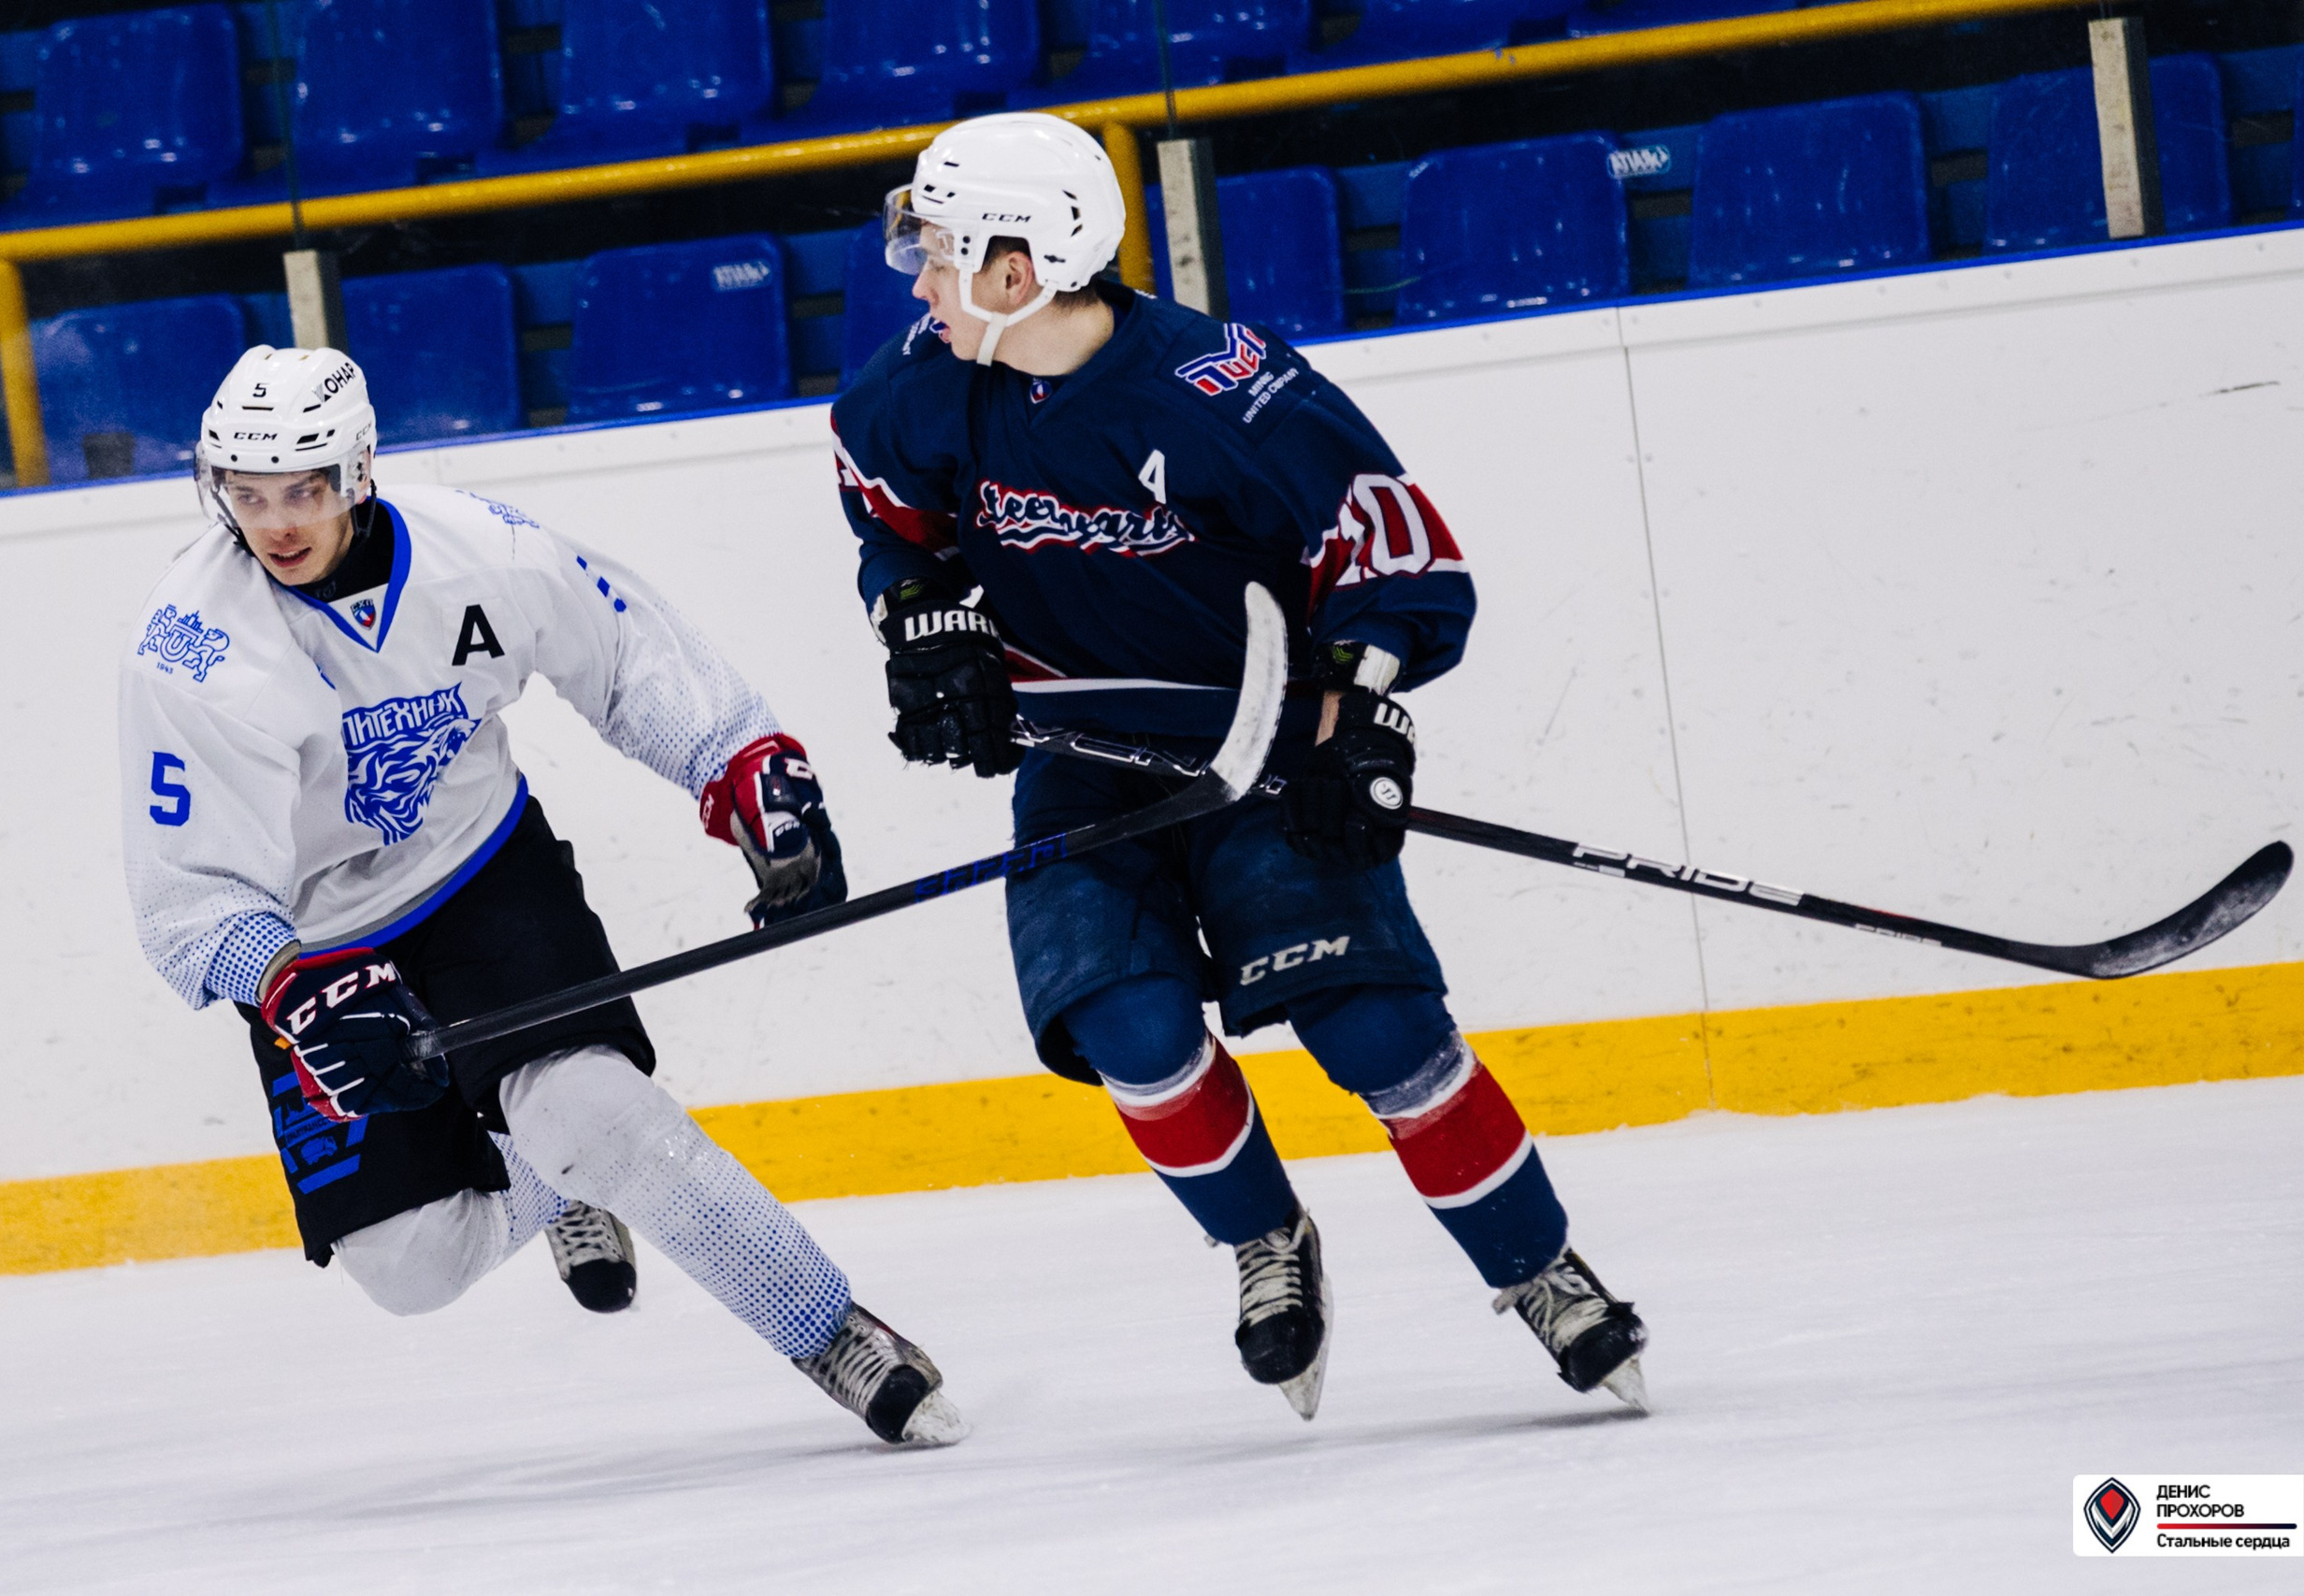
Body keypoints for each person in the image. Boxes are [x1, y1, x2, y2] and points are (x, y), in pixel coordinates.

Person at [832, 113, 1649, 1420]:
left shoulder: (1229, 391)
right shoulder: (918, 387)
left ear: (1017, 268)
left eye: (937, 249)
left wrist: (1367, 712)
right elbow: (894, 524)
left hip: (1263, 745)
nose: (914, 276)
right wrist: (924, 625)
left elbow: (1394, 559)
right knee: (1127, 1026)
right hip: (1084, 761)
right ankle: (1267, 1240)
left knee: (1374, 1024)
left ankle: (1540, 1265)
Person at [121, 345, 965, 1447]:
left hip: (479, 876)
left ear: (359, 471)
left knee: (592, 1110)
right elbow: (185, 901)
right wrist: (288, 986)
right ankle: (555, 1179)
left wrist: (745, 772)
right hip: (317, 951)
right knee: (411, 1266)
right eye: (247, 494)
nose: (275, 523)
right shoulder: (191, 654)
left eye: (303, 490)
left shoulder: (484, 554)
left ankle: (826, 1328)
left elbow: (628, 660)